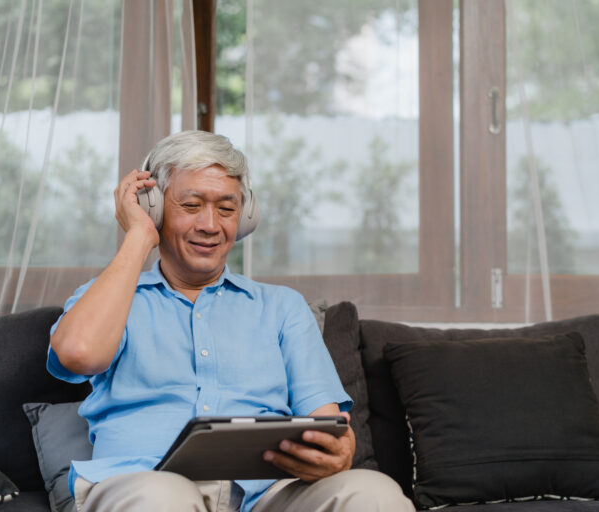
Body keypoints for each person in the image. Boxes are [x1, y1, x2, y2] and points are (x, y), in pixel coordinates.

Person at [48, 130, 414, 512]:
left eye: (226, 208)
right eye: (191, 205)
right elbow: (78, 353)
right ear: (152, 208)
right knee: (163, 498)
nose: (211, 224)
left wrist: (338, 452)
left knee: (374, 492)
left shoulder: (282, 307)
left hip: (267, 495)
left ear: (245, 216)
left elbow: (328, 424)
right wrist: (139, 236)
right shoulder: (110, 297)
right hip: (144, 486)